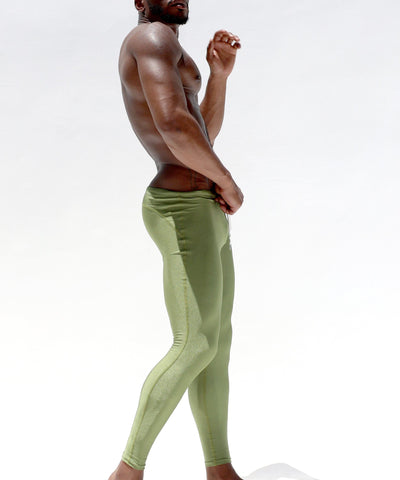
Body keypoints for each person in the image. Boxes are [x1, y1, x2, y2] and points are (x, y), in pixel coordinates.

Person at [108, 1, 244, 480]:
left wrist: (218, 77)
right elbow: (172, 126)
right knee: (195, 343)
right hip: (182, 208)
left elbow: (198, 133)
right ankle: (126, 472)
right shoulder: (152, 38)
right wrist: (227, 181)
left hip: (204, 209)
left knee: (215, 347)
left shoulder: (169, 46)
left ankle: (219, 469)